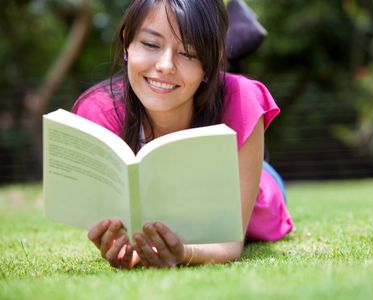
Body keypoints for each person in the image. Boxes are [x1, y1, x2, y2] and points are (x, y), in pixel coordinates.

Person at [72, 0, 293, 269]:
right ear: (127, 43)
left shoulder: (242, 100)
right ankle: (218, 51)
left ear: (207, 66)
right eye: (151, 45)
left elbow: (230, 245)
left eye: (188, 53)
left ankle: (225, 57)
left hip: (260, 185)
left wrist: (184, 252)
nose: (165, 65)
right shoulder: (98, 112)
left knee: (264, 207)